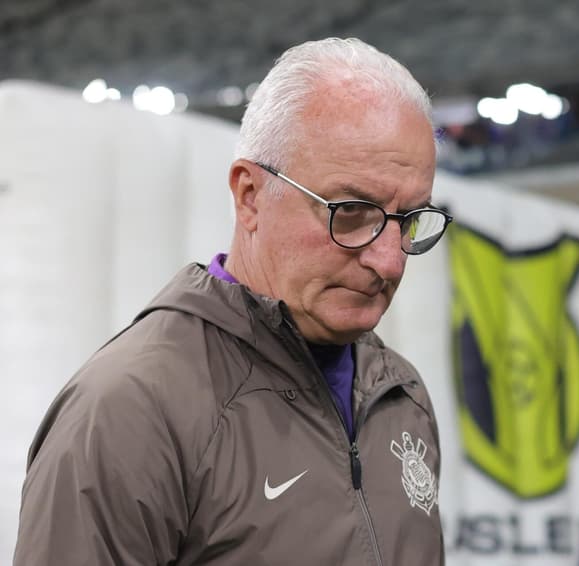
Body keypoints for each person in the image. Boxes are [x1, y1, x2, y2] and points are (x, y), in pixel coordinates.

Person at [14, 38, 452, 565]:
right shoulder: (129, 411)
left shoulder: (399, 395)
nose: (390, 261)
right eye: (353, 212)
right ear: (250, 195)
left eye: (409, 221)